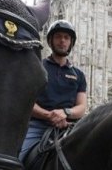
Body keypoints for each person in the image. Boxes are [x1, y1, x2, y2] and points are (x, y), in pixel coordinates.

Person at [19, 20, 87, 161]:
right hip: (38, 126)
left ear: (71, 42)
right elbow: (26, 102)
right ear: (50, 41)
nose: (62, 41)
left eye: (66, 38)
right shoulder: (38, 67)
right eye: (58, 37)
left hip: (70, 127)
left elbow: (81, 107)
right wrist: (49, 115)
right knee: (18, 161)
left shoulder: (78, 74)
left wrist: (65, 113)